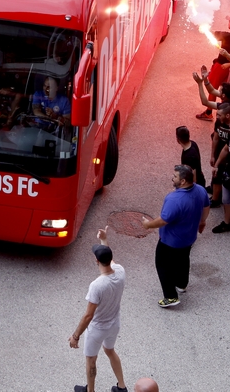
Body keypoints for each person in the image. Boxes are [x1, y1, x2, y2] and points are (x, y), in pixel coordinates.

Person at [140, 165, 209, 308]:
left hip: (171, 241)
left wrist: (148, 225)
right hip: (189, 237)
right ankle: (182, 284)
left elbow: (163, 220)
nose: (172, 178)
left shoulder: (174, 199)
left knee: (162, 265)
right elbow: (206, 207)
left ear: (183, 181)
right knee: (183, 259)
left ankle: (170, 296)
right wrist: (202, 222)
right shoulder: (201, 190)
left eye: (175, 176)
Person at [68, 226, 127, 392]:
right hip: (114, 324)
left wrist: (75, 336)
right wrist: (104, 239)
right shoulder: (120, 271)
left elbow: (88, 316)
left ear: (96, 261)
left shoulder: (97, 285)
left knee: (91, 360)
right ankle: (121, 387)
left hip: (98, 328)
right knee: (110, 350)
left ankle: (90, 391)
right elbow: (111, 259)